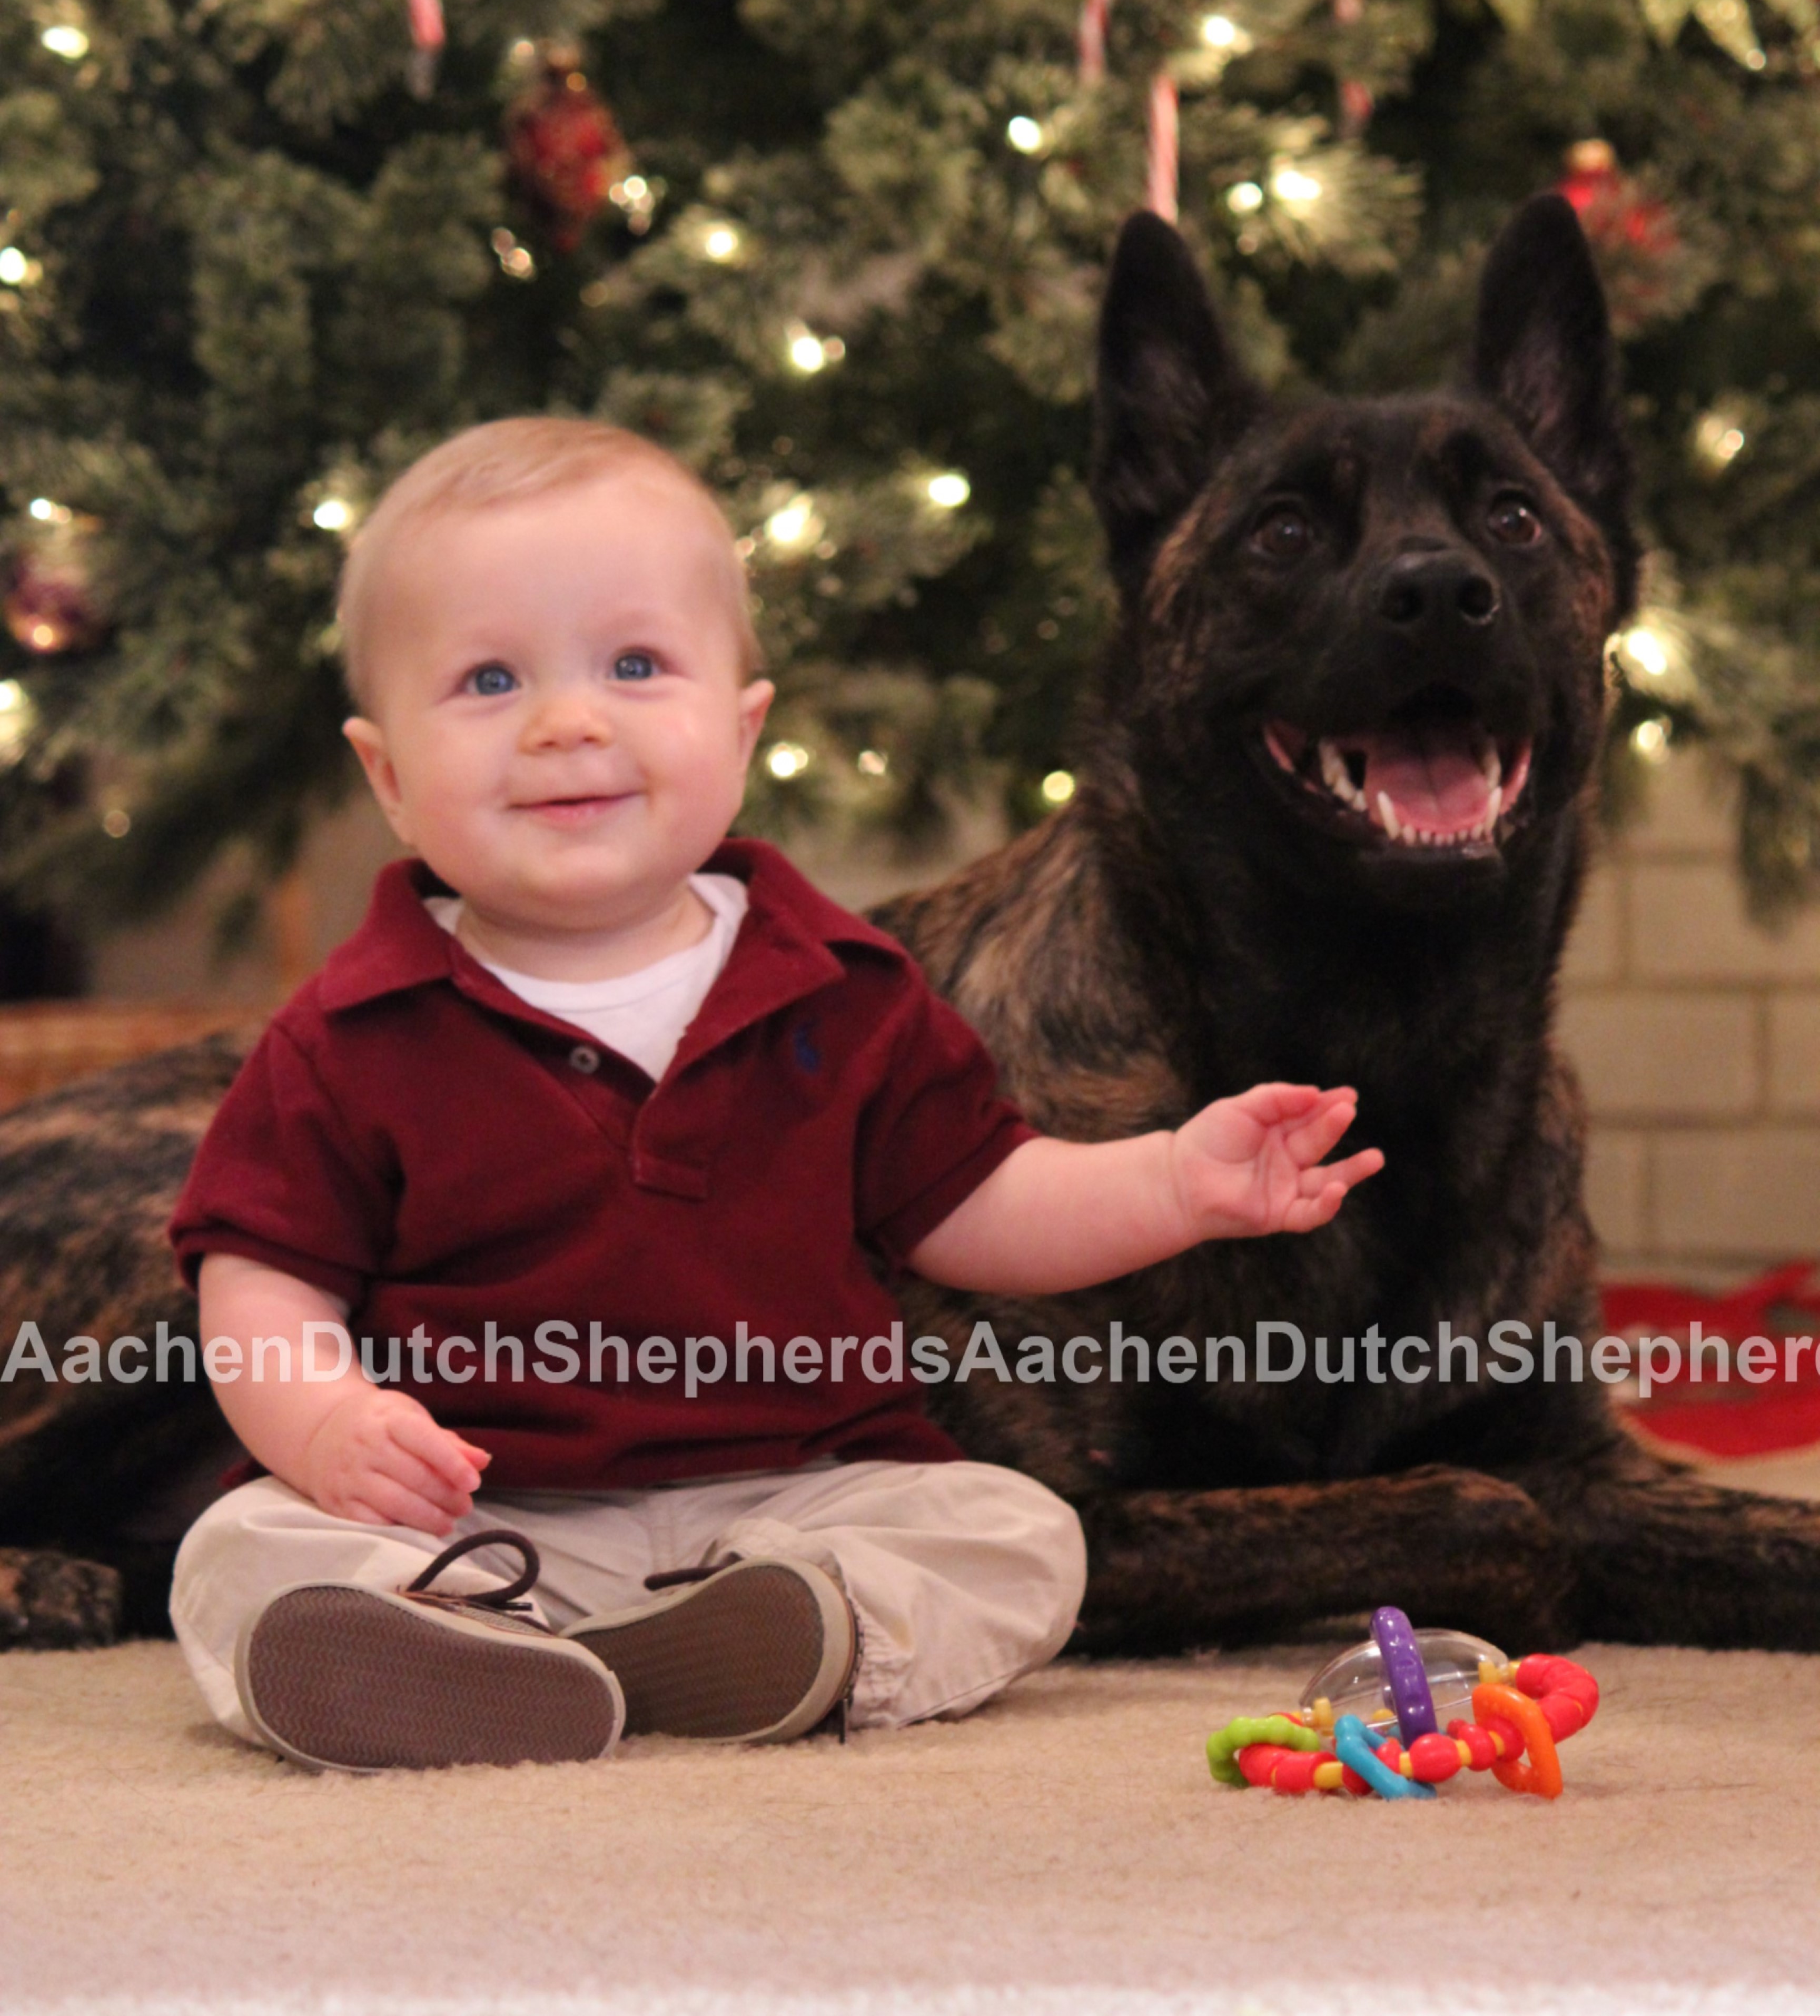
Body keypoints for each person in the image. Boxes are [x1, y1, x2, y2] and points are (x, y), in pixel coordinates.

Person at [168, 419, 1382, 1773]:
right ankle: (454, 1654)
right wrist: (329, 1424)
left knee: (1016, 1533)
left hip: (797, 1499)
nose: (569, 722)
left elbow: (979, 1204)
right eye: (489, 679)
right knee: (244, 1548)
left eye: (636, 665)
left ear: (741, 730)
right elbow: (261, 1291)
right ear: (389, 778)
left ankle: (789, 1637)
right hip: (484, 1515)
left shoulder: (840, 989)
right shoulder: (350, 1032)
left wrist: (1171, 1182)